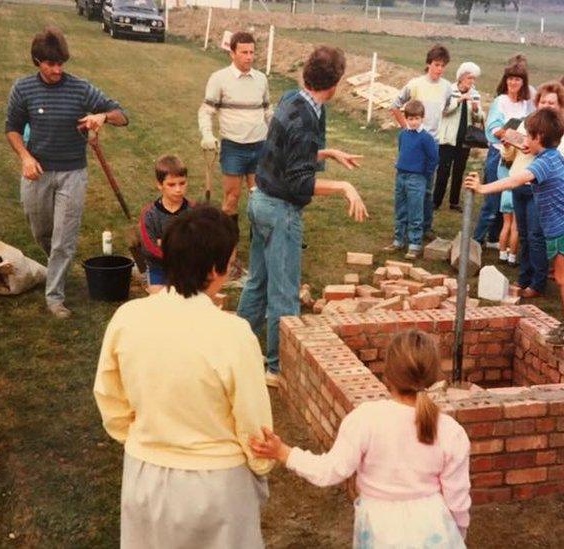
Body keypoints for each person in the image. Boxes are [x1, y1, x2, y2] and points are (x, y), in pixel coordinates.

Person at [94, 205, 274, 549]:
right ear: (214, 270)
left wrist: (141, 438)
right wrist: (260, 465)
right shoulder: (234, 334)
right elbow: (254, 422)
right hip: (217, 487)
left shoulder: (127, 318)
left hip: (145, 478)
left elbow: (109, 395)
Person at [249, 329, 470, 547]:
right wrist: (457, 536)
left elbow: (329, 471)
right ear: (433, 377)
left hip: (380, 529)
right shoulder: (452, 432)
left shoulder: (366, 419)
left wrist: (284, 452)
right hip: (434, 531)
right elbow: (457, 502)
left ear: (387, 375)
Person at [236, 45, 368, 387]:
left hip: (259, 200)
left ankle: (236, 349)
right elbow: (299, 183)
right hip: (280, 211)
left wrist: (327, 152)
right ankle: (277, 369)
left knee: (257, 283)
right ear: (335, 83)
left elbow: (289, 151)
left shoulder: (291, 98)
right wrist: (343, 187)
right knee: (283, 293)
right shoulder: (307, 119)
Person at [5, 26, 128, 319]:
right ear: (37, 61)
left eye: (61, 63)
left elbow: (123, 116)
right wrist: (24, 156)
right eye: (50, 64)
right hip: (37, 172)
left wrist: (102, 116)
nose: (57, 70)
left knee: (64, 238)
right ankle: (57, 264)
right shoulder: (23, 89)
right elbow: (11, 129)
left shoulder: (80, 88)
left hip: (73, 173)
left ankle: (55, 298)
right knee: (42, 230)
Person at [466, 108, 564, 346]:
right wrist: (527, 147)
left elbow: (515, 179)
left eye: (529, 136)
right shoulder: (551, 156)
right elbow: (532, 156)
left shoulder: (543, 164)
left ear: (539, 137)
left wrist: (482, 188)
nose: (526, 140)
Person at [504, 81, 564, 299]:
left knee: (536, 235)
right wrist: (510, 146)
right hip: (519, 184)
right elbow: (509, 157)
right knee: (524, 233)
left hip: (540, 189)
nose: (546, 105)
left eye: (551, 102)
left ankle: (538, 281)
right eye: (543, 101)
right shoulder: (528, 122)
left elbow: (563, 158)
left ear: (560, 105)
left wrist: (535, 150)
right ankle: (524, 276)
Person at [197, 31, 270, 230]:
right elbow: (206, 111)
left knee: (261, 198)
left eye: (252, 52)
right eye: (244, 52)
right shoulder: (219, 78)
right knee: (231, 199)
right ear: (232, 53)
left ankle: (260, 247)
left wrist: (277, 135)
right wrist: (207, 134)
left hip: (260, 146)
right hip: (234, 148)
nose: (249, 57)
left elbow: (266, 111)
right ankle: (229, 253)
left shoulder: (261, 79)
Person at [390, 44, 451, 237]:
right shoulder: (415, 84)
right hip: (414, 142)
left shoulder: (447, 87)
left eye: (442, 65)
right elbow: (395, 105)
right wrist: (406, 127)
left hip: (432, 142)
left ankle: (425, 227)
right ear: (428, 64)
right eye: (436, 64)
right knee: (408, 187)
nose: (439, 69)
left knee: (427, 189)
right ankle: (404, 227)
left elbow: (447, 108)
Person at [472, 63, 533, 248]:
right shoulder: (500, 101)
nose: (513, 82)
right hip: (499, 153)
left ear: (523, 82)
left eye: (517, 79)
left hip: (518, 157)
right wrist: (511, 136)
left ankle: (495, 238)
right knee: (492, 197)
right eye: (510, 78)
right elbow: (493, 128)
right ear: (505, 81)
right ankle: (476, 239)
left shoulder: (526, 104)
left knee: (510, 199)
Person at [384, 100, 438, 258]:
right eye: (410, 119)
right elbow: (402, 151)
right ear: (406, 118)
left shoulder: (426, 138)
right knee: (400, 209)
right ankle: (398, 240)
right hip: (401, 176)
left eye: (417, 119)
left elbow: (433, 158)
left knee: (415, 211)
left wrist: (424, 174)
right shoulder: (403, 135)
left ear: (422, 118)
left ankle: (414, 243)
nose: (413, 122)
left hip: (417, 178)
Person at [434, 61, 482, 212]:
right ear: (461, 77)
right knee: (443, 170)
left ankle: (454, 202)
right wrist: (459, 100)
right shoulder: (450, 90)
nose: (471, 82)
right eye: (469, 78)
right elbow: (443, 110)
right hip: (448, 138)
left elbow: (479, 118)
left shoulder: (474, 93)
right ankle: (436, 201)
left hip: (465, 140)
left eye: (474, 79)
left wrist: (475, 110)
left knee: (459, 171)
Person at [138, 154, 190, 293]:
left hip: (187, 268)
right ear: (160, 185)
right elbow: (149, 248)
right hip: (158, 268)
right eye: (171, 185)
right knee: (159, 302)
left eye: (182, 183)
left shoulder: (194, 211)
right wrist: (181, 246)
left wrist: (164, 243)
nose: (178, 189)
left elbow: (200, 243)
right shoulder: (149, 214)